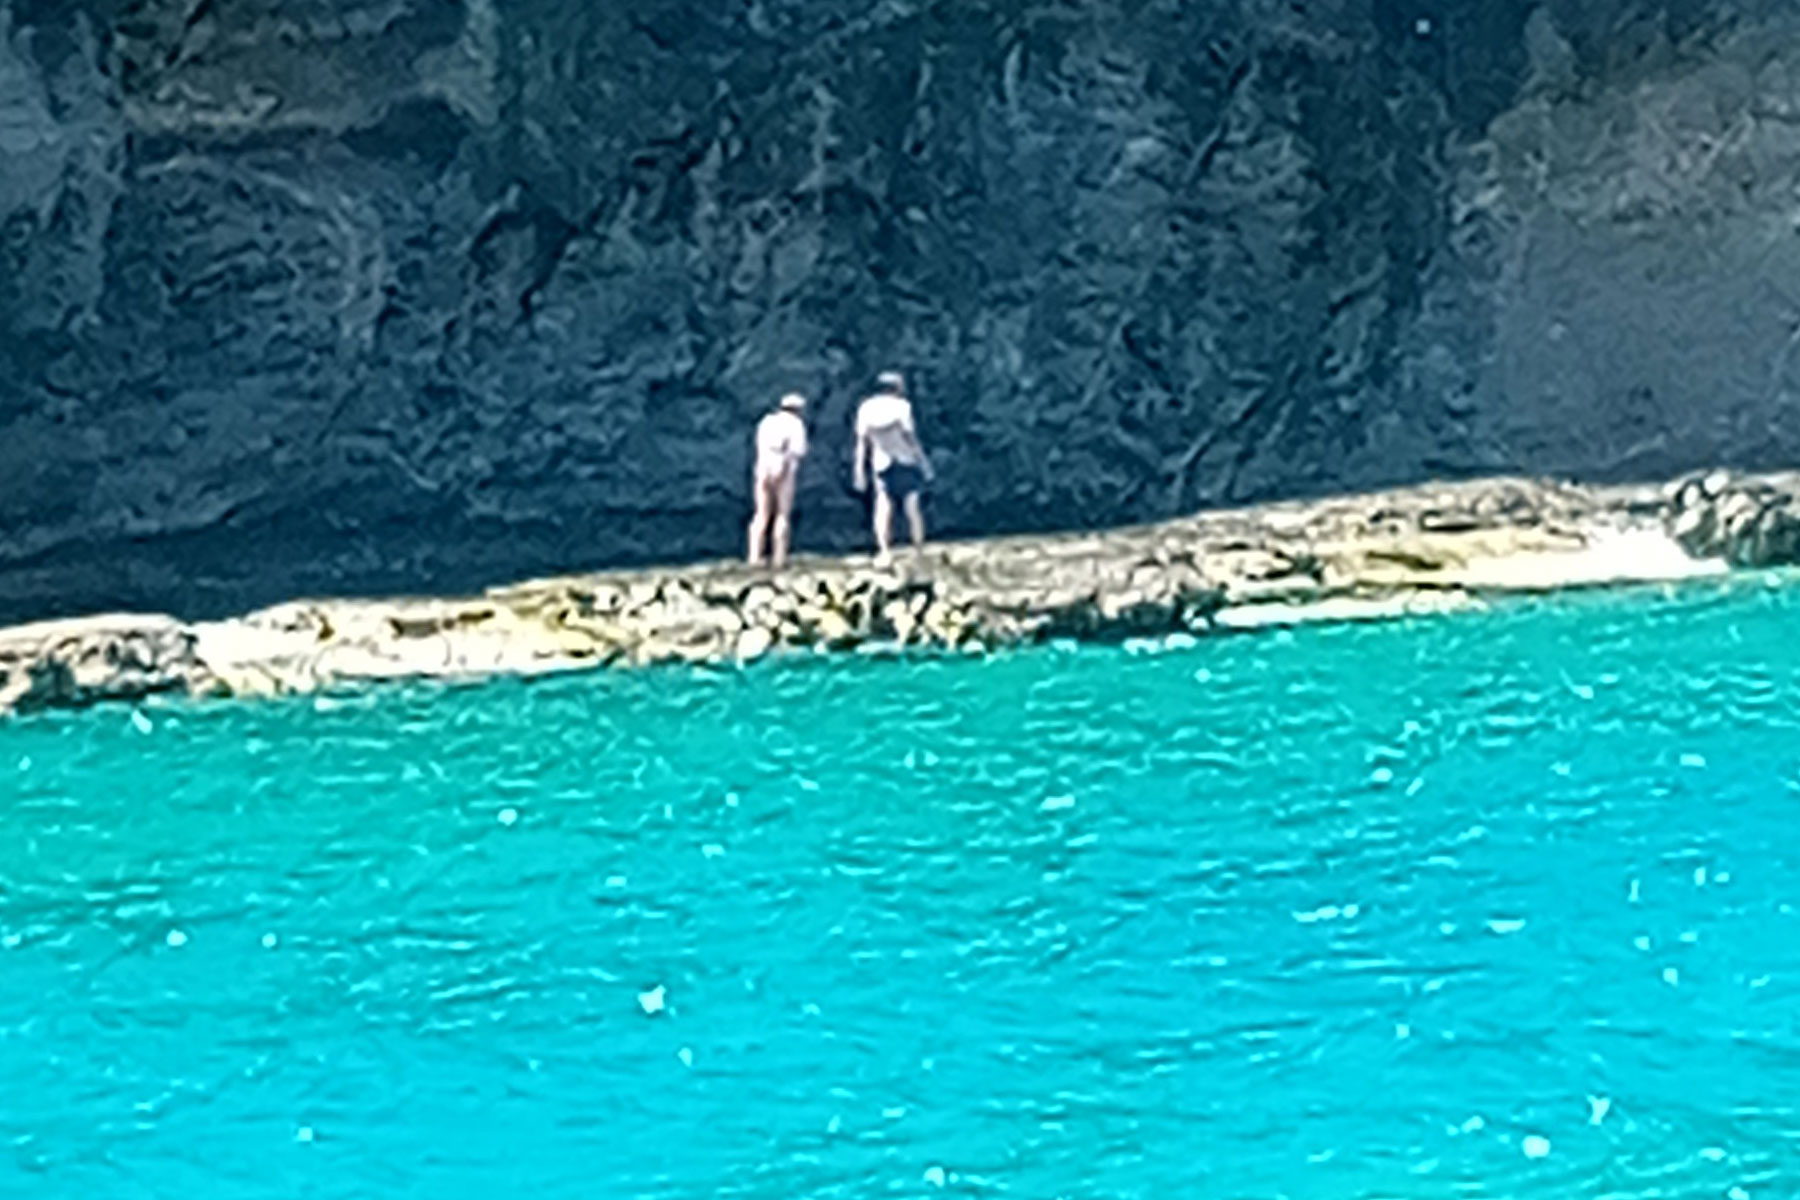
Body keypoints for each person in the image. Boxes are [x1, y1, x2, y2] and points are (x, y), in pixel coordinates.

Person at [853, 370, 933, 562]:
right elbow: (910, 437)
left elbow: (862, 443)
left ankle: (884, 550)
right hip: (905, 460)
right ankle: (918, 550)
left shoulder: (866, 408)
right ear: (896, 388)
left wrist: (859, 471)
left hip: (880, 462)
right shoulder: (902, 407)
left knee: (883, 506)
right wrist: (923, 462)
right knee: (912, 505)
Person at [747, 392, 809, 568]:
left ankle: (754, 555)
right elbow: (799, 451)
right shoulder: (796, 425)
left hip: (762, 469)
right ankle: (779, 557)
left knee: (761, 513)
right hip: (784, 472)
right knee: (782, 514)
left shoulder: (766, 421)